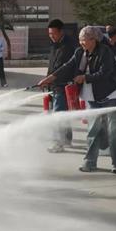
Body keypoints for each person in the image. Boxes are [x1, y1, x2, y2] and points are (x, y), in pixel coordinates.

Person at [38, 26, 116, 174]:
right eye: (80, 40)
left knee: (114, 132)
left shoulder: (105, 52)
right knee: (92, 131)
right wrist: (49, 78)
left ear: (94, 40)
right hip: (92, 98)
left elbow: (105, 73)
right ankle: (90, 162)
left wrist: (85, 77)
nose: (81, 43)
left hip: (109, 97)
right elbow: (67, 66)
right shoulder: (80, 52)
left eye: (84, 40)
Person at [44, 19, 77, 153]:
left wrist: (50, 79)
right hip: (54, 84)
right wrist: (47, 79)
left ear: (61, 31)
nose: (51, 36)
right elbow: (52, 65)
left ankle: (58, 143)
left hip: (63, 85)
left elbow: (63, 68)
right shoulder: (54, 44)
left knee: (57, 115)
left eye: (54, 33)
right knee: (63, 114)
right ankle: (67, 139)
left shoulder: (68, 45)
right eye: (49, 34)